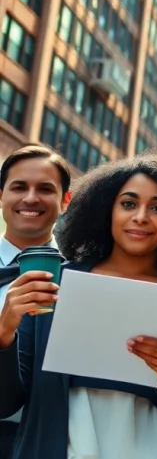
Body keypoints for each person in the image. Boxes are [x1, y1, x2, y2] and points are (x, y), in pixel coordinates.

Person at [0, 154, 157, 458]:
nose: (141, 217)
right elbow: (6, 403)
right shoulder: (56, 282)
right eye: (128, 204)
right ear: (107, 209)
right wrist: (3, 335)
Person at [0, 145, 73, 455]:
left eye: (45, 189)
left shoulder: (86, 279)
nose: (31, 198)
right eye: (19, 187)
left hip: (47, 442)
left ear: (65, 201)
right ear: (1, 195)